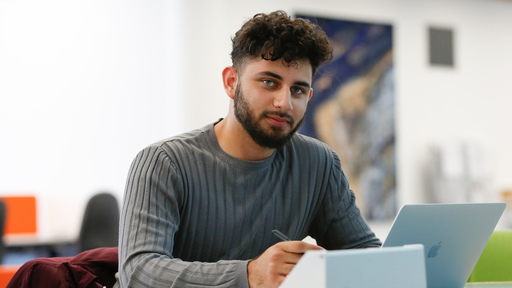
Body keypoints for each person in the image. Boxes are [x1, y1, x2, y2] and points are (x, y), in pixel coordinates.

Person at [118, 10, 381, 288]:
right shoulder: (164, 162)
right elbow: (138, 272)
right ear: (232, 82)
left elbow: (363, 254)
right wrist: (249, 274)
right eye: (269, 82)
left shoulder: (319, 164)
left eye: (298, 90)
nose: (284, 103)